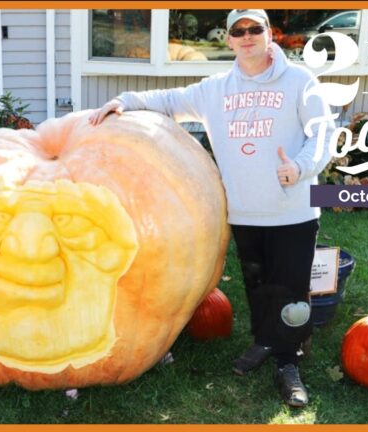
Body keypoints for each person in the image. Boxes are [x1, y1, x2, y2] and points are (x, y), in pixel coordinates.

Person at [88, 9, 334, 407]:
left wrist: (301, 166)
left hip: (293, 210)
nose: (248, 36)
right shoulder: (216, 89)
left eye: (256, 28)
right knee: (257, 286)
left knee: (290, 293)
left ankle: (289, 364)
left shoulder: (300, 82)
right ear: (230, 40)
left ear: (269, 35)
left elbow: (324, 133)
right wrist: (124, 100)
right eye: (240, 30)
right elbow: (168, 101)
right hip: (244, 212)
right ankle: (264, 342)